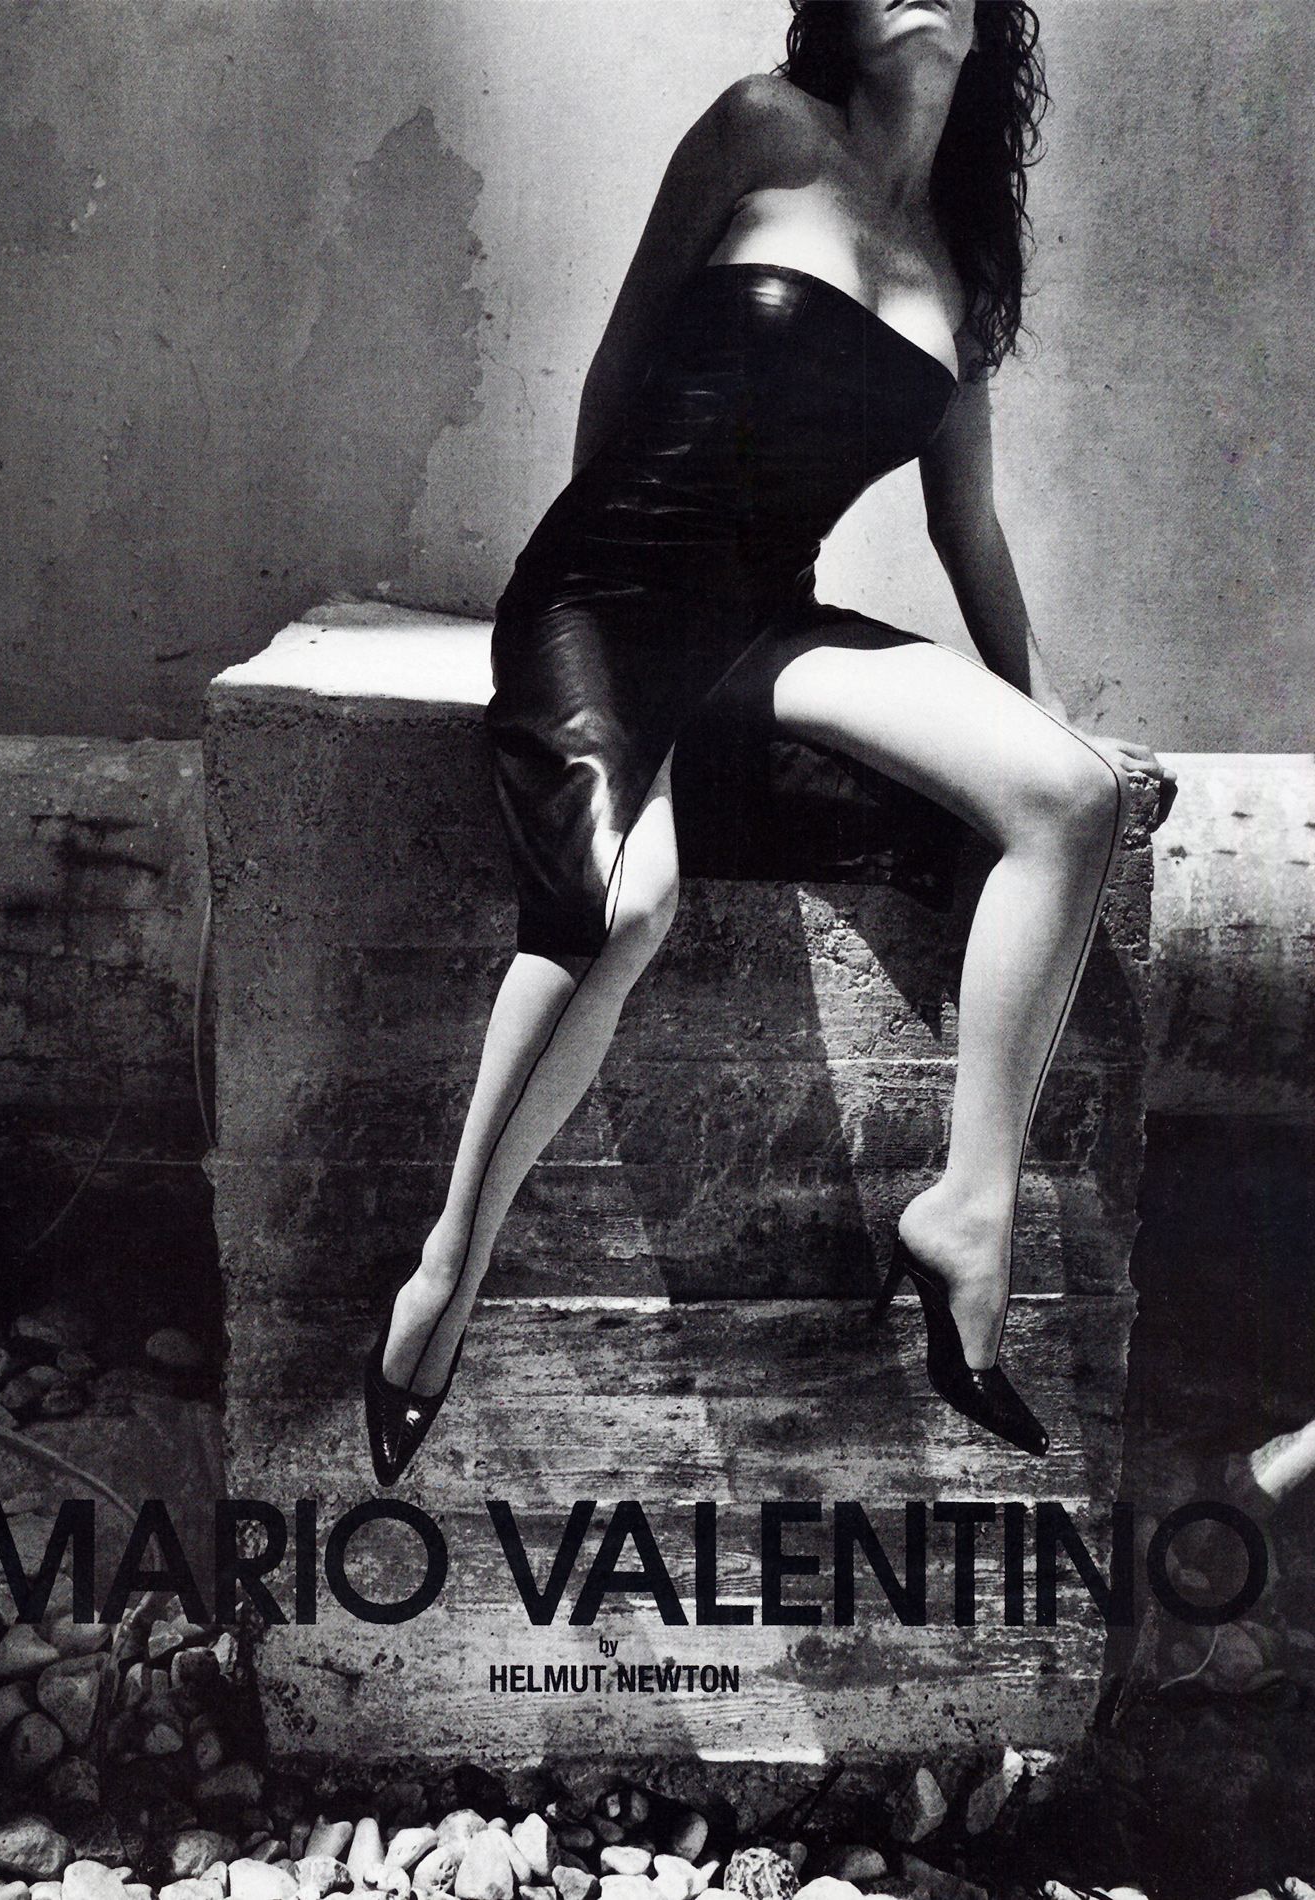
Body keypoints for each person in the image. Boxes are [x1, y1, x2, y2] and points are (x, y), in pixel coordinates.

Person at [364, 0, 1177, 1479]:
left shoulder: (962, 262)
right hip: (604, 597)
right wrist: (629, 690)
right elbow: (615, 378)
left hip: (765, 624)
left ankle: (967, 1219)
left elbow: (966, 525)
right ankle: (446, 1272)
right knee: (629, 907)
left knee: (1066, 797)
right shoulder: (761, 125)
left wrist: (1043, 708)